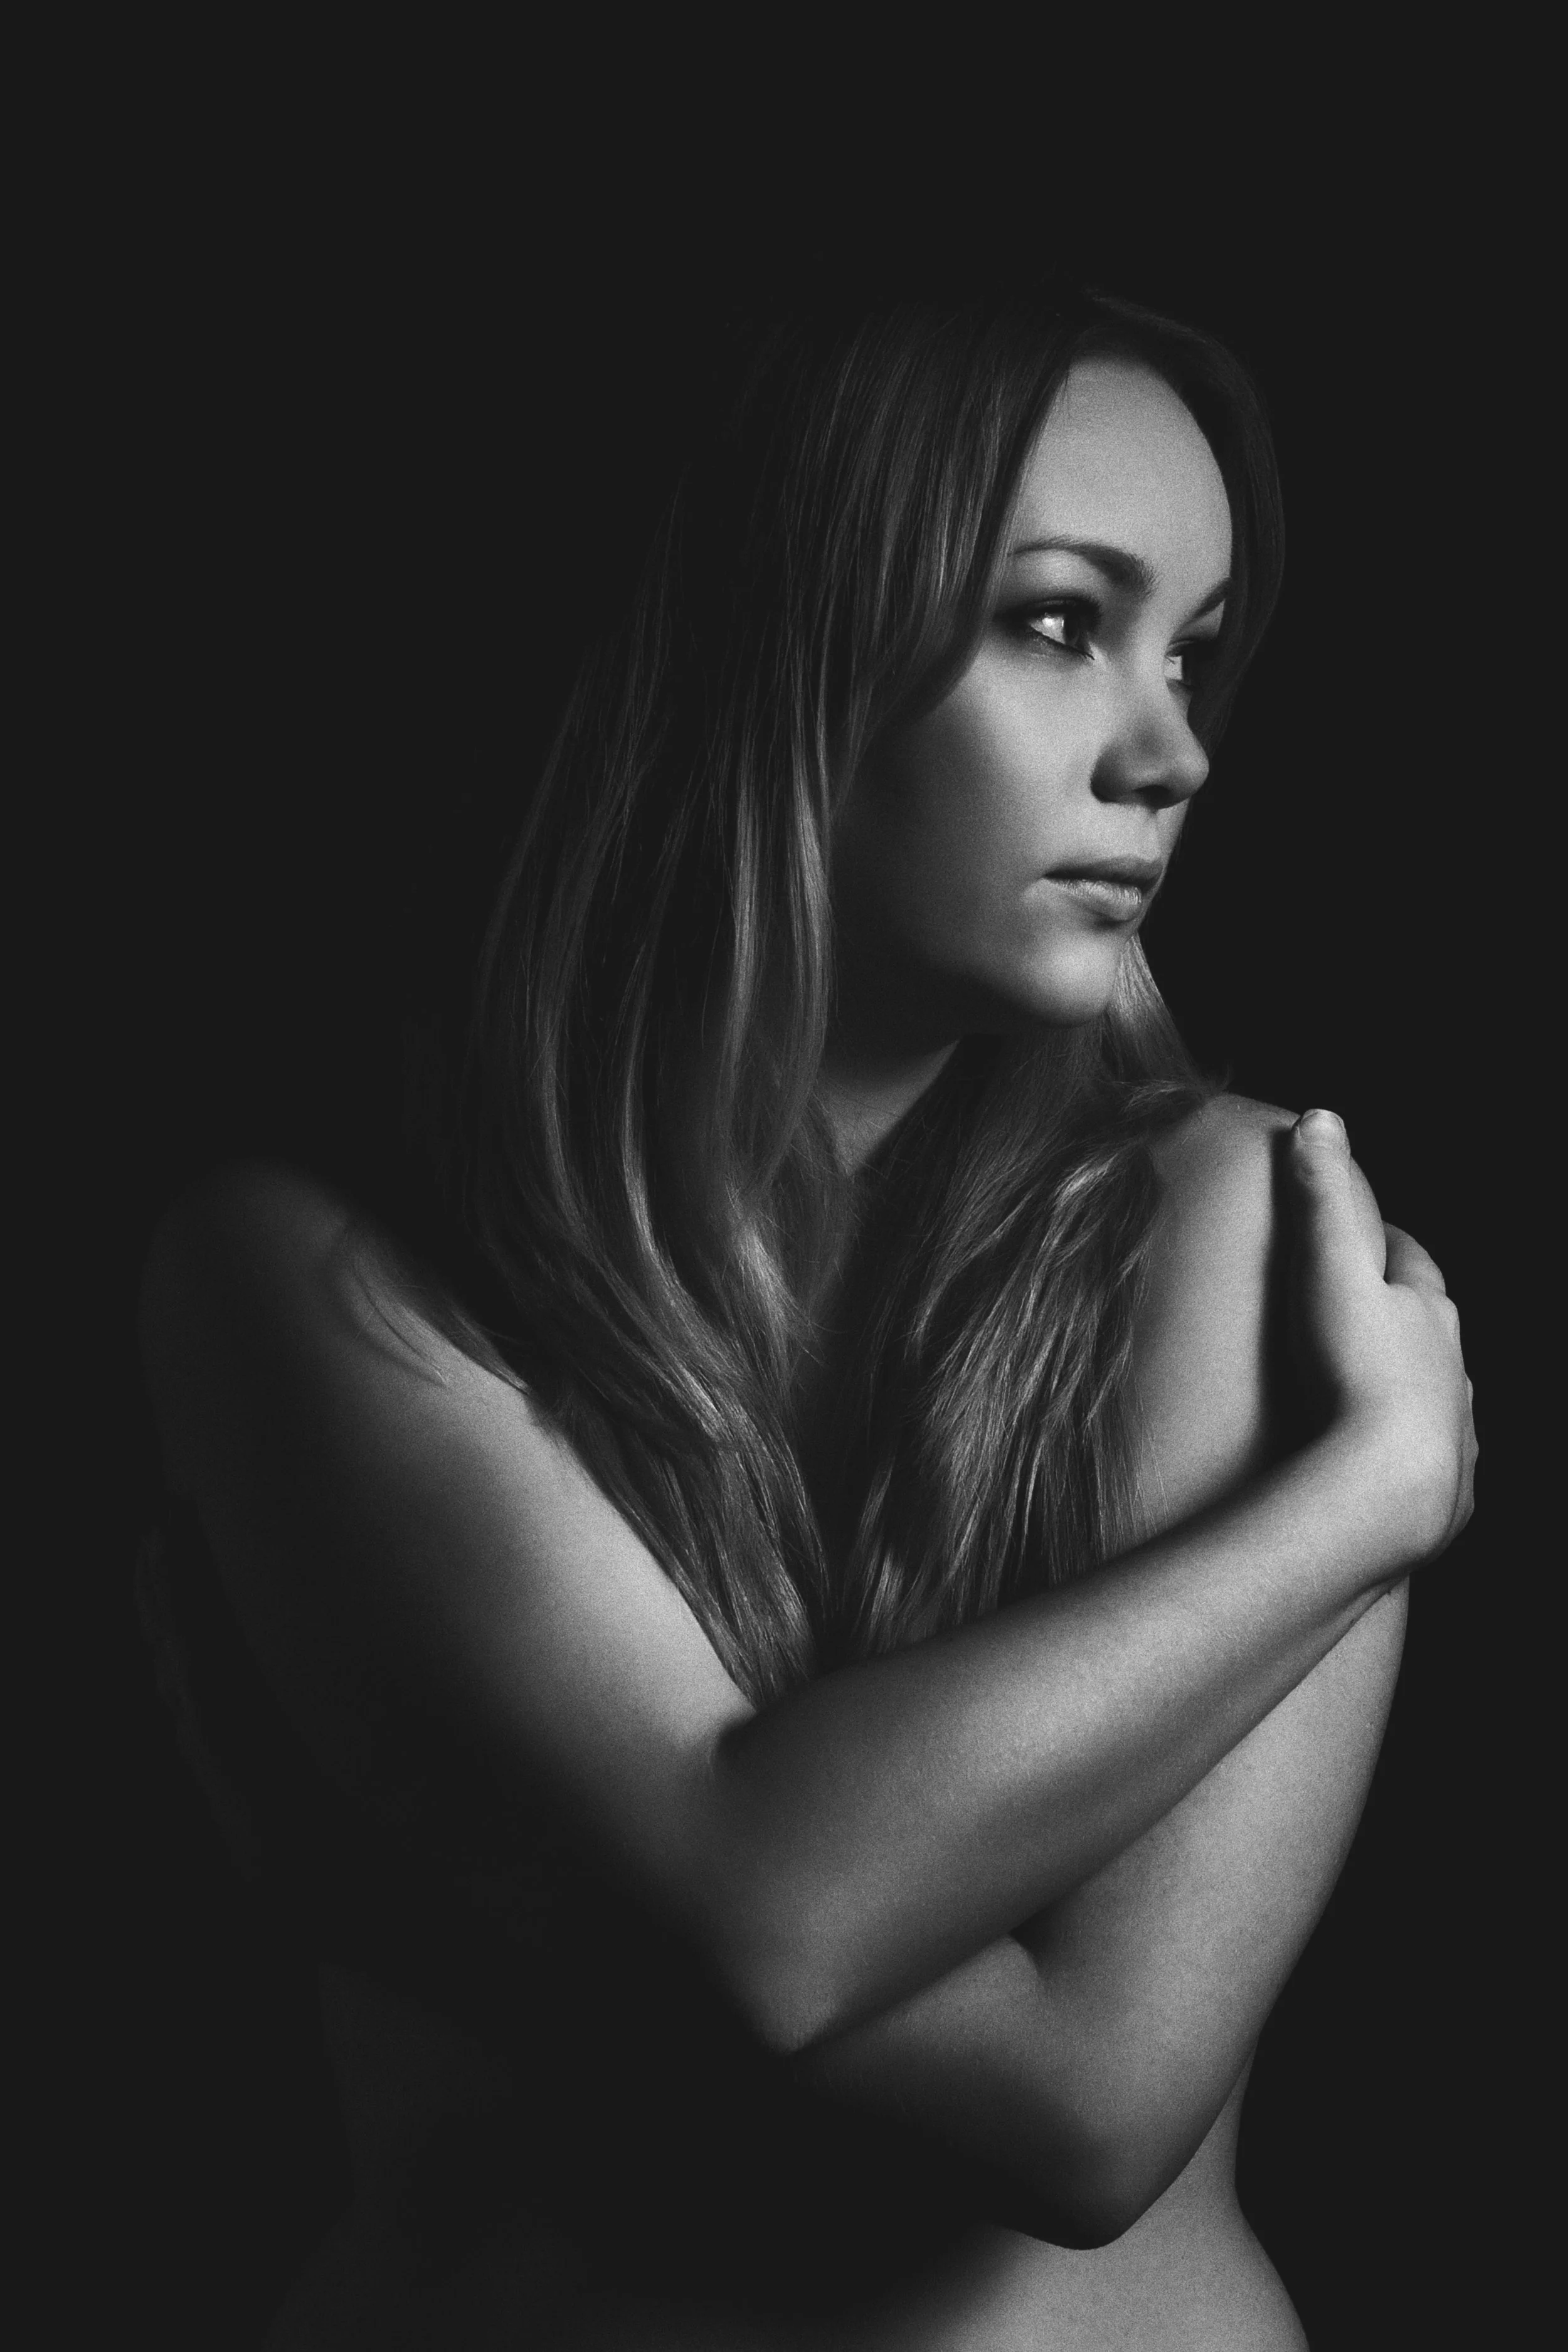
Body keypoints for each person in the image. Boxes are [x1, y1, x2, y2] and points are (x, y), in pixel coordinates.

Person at [136, 276, 1476, 2348]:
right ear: (775, 636)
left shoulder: (1229, 1217)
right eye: (1058, 621)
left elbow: (1088, 2104)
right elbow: (762, 1915)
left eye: (1195, 648)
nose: (1172, 747)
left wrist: (582, 1884)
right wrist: (1361, 1501)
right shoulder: (311, 1278)